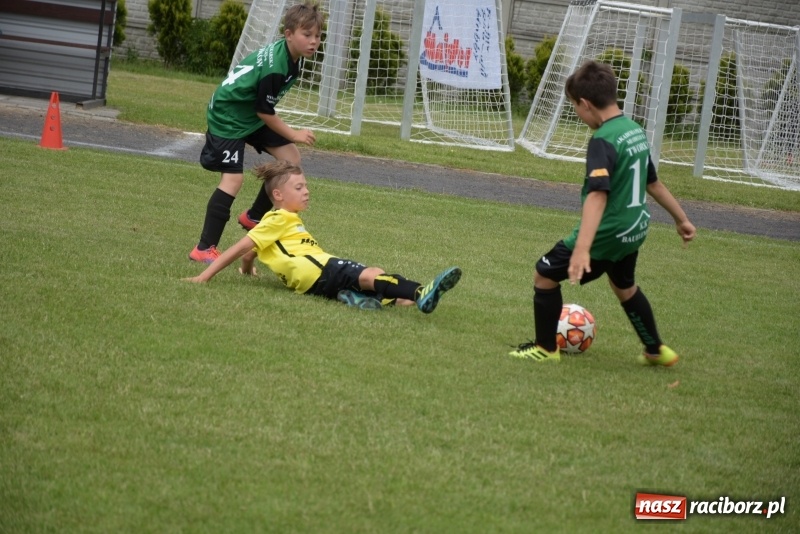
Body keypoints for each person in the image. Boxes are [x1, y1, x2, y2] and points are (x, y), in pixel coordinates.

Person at [509, 60, 696, 365]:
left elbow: (598, 195)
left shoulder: (603, 139)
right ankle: (655, 350)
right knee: (624, 286)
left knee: (543, 274)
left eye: (575, 108)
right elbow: (653, 183)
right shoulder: (633, 130)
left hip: (607, 234)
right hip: (635, 228)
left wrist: (582, 249)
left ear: (585, 104)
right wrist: (682, 219)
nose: (578, 114)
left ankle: (545, 348)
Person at [185, 160, 462, 314]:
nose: (306, 191)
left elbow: (249, 253)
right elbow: (241, 246)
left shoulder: (283, 221)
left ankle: (372, 299)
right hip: (323, 270)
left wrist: (247, 270)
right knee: (369, 275)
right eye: (299, 187)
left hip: (313, 283)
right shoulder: (278, 218)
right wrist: (204, 276)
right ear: (278, 196)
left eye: (306, 185)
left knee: (377, 275)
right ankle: (420, 290)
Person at [189, 2, 324, 264]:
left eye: (317, 36)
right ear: (288, 34)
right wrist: (294, 133)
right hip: (228, 117)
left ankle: (254, 216)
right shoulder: (277, 66)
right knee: (232, 180)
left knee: (290, 161)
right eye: (306, 35)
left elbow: (261, 108)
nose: (313, 41)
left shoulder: (291, 59)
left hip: (247, 114)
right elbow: (265, 110)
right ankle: (204, 248)